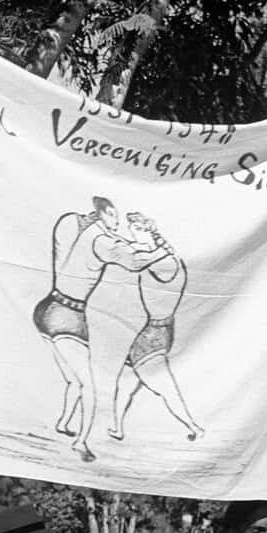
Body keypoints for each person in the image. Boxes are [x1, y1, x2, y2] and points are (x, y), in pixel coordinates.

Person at [34, 197, 174, 461]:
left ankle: (64, 423)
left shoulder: (77, 227)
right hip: (68, 316)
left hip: (47, 307)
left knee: (74, 378)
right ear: (104, 214)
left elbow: (120, 246)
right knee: (88, 384)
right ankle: (81, 442)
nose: (118, 224)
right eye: (115, 218)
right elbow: (132, 261)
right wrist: (160, 251)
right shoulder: (101, 240)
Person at [108, 212, 201, 442]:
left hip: (154, 333)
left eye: (136, 230)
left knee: (164, 387)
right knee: (126, 381)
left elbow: (137, 260)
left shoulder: (164, 261)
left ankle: (194, 427)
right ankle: (118, 428)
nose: (132, 234)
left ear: (147, 231)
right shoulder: (163, 256)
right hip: (160, 329)